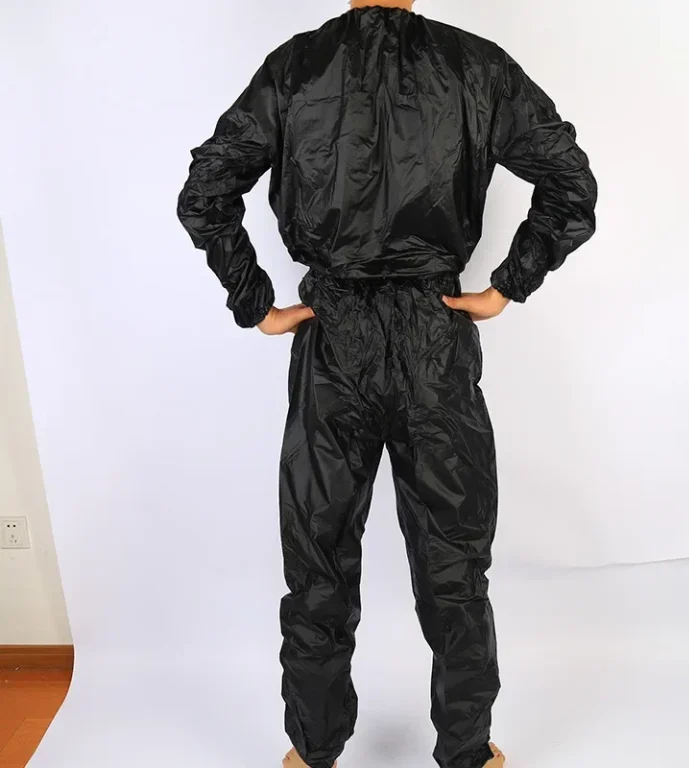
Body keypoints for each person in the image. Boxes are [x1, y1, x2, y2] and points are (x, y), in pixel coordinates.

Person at [177, 0, 598, 766]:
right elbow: (570, 183)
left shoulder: (296, 67)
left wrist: (257, 304)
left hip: (334, 343)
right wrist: (505, 286)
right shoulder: (474, 66)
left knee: (318, 560)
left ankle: (312, 753)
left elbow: (207, 189)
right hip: (432, 343)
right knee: (453, 563)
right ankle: (468, 754)